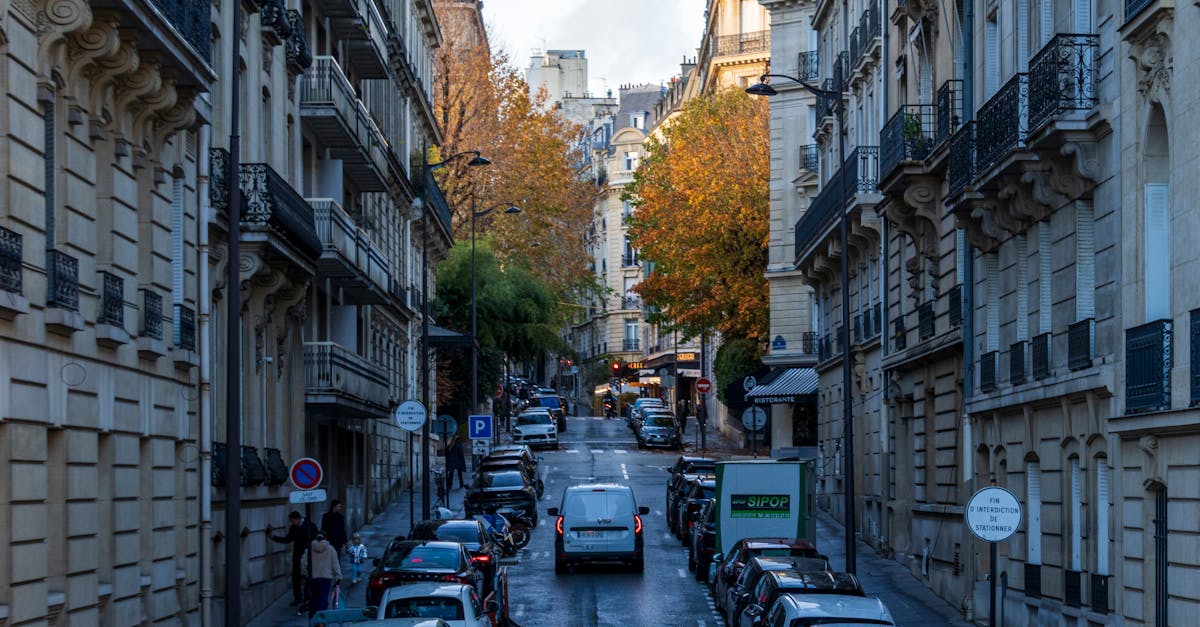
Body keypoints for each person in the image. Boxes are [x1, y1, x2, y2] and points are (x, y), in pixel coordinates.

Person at [267, 511, 318, 608]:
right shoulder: (294, 528)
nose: (291, 523)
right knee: (296, 577)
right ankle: (298, 598)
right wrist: (273, 538)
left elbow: (315, 539)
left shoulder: (310, 525)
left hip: (308, 556)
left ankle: (308, 599)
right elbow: (287, 539)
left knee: (307, 578)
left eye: (292, 521)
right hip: (297, 556)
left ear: (298, 519)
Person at [301, 531, 342, 617]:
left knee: (313, 600)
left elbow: (303, 563)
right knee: (323, 600)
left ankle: (313, 619)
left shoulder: (309, 549)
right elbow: (335, 564)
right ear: (325, 538)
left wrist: (305, 574)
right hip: (326, 578)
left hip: (313, 578)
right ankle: (322, 620)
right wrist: (338, 577)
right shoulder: (331, 549)